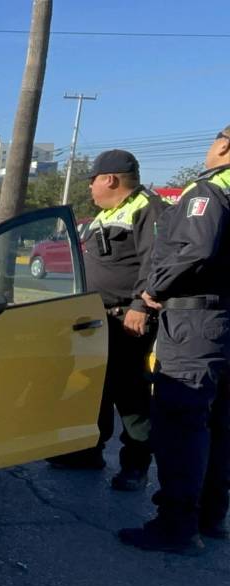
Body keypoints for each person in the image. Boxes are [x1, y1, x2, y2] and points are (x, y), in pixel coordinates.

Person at [118, 126, 230, 554]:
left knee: (181, 422)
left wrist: (151, 292)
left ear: (224, 144)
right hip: (223, 320)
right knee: (218, 424)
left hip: (197, 325)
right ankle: (211, 517)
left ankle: (177, 527)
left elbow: (195, 250)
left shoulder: (209, 192)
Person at [48, 150, 165, 491]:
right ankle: (88, 450)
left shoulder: (148, 209)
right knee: (94, 387)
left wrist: (139, 306)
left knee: (130, 393)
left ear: (110, 179)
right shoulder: (107, 214)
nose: (90, 187)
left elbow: (156, 263)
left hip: (126, 320)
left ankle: (136, 465)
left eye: (92, 180)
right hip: (97, 319)